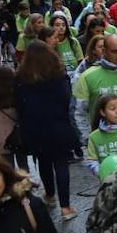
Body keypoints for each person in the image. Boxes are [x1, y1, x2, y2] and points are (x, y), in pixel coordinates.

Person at [13, 40, 80, 219]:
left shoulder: (21, 79)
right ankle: (66, 207)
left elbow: (18, 104)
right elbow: (68, 100)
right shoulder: (59, 76)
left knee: (43, 161)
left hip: (35, 127)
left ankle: (50, 196)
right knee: (61, 164)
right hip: (58, 124)